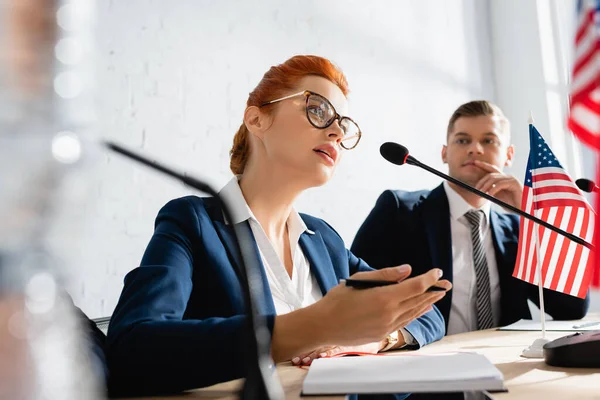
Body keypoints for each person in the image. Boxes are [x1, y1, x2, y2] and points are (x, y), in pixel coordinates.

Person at [105, 55, 451, 396]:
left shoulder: (324, 240)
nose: (335, 131)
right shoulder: (193, 223)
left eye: (343, 126)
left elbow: (428, 312)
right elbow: (133, 346)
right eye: (317, 110)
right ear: (257, 119)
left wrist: (377, 337)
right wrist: (313, 326)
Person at [351, 100, 589, 336]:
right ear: (444, 153)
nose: (475, 149)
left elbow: (571, 308)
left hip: (505, 359)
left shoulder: (519, 228)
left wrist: (530, 217)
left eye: (488, 140)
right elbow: (354, 291)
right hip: (427, 360)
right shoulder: (398, 210)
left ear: (509, 155)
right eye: (463, 140)